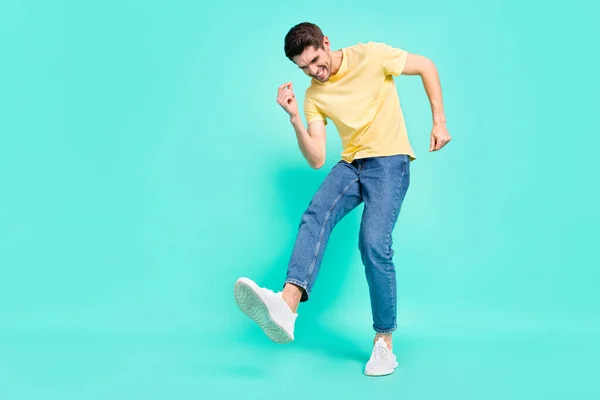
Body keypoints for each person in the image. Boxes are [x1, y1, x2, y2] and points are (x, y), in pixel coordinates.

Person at [234, 22, 451, 376]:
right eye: (304, 68)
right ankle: (287, 307)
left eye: (316, 61)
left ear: (327, 43)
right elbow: (317, 158)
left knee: (373, 243)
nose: (314, 72)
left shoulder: (371, 55)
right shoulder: (313, 96)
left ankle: (384, 344)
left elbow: (426, 65)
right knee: (315, 214)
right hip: (352, 164)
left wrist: (438, 121)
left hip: (389, 160)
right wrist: (294, 119)